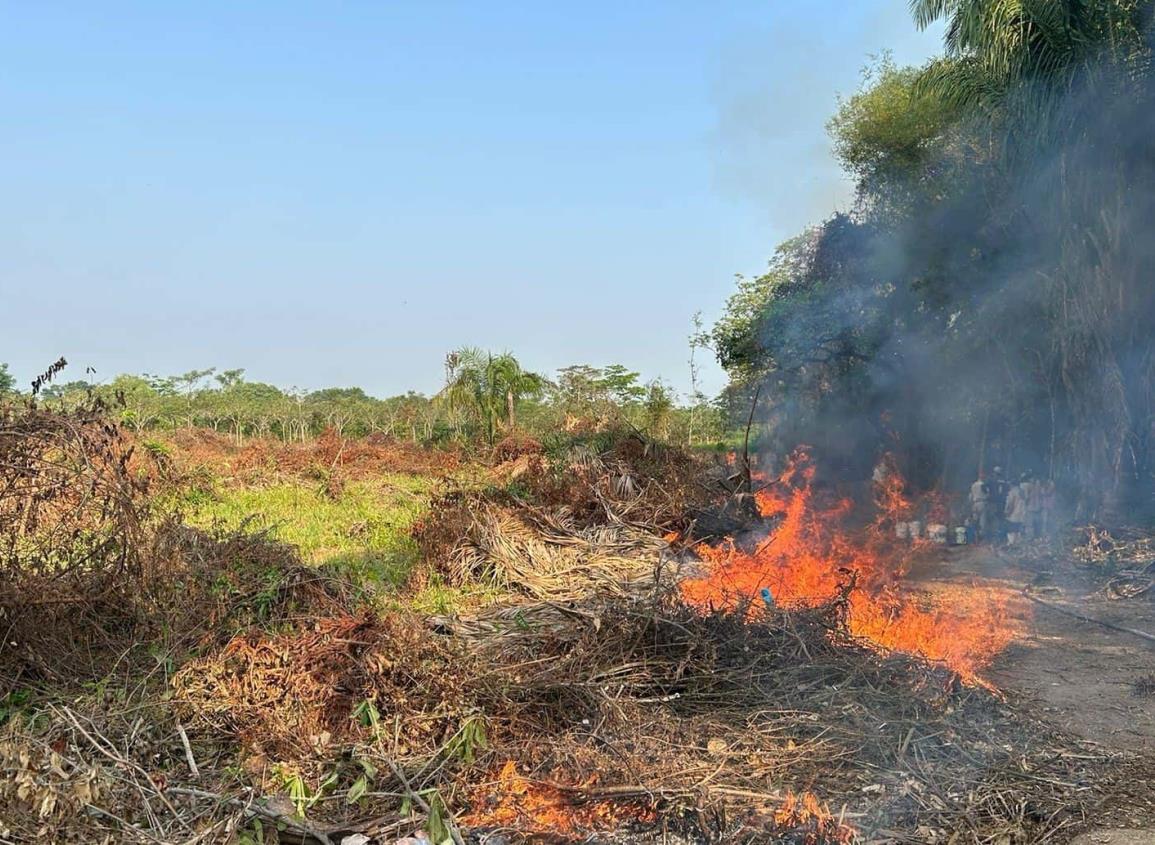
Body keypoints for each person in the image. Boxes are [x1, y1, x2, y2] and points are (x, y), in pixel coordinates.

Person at [1005, 475, 1028, 545]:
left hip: (1014, 513)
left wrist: (1008, 512)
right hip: (1022, 513)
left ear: (1012, 484)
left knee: (1011, 528)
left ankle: (1011, 543)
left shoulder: (1012, 492)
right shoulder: (1022, 491)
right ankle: (1018, 542)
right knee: (1018, 528)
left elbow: (1011, 503)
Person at [969, 472, 991, 541]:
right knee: (982, 521)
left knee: (975, 520)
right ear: (983, 478)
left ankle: (974, 536)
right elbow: (988, 495)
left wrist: (971, 503)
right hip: (982, 503)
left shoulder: (973, 485)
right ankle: (981, 538)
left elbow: (970, 495)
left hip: (974, 503)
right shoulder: (983, 485)